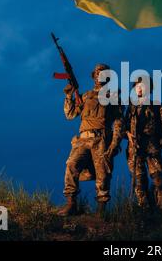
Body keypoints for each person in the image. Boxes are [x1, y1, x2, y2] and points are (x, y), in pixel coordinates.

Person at [58, 64, 124, 217]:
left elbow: (119, 122)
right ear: (94, 76)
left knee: (103, 174)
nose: (99, 75)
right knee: (71, 164)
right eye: (97, 73)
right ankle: (71, 204)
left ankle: (101, 211)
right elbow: (70, 114)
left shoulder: (113, 96)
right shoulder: (86, 95)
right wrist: (69, 96)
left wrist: (114, 144)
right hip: (82, 140)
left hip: (101, 140)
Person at [125, 76, 162, 211]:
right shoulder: (131, 109)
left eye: (142, 85)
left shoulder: (156, 106)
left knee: (159, 181)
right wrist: (127, 134)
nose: (139, 88)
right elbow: (122, 127)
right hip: (135, 150)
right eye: (137, 86)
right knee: (140, 183)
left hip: (152, 148)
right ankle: (144, 212)